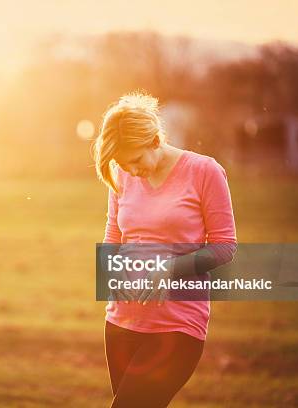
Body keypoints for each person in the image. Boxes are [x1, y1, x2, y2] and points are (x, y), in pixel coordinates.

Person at [93, 92, 237, 407]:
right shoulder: (123, 175)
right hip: (122, 323)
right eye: (121, 163)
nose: (130, 171)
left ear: (155, 141)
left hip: (178, 325)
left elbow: (225, 247)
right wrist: (111, 278)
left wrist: (168, 271)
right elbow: (113, 234)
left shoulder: (204, 172)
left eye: (136, 160)